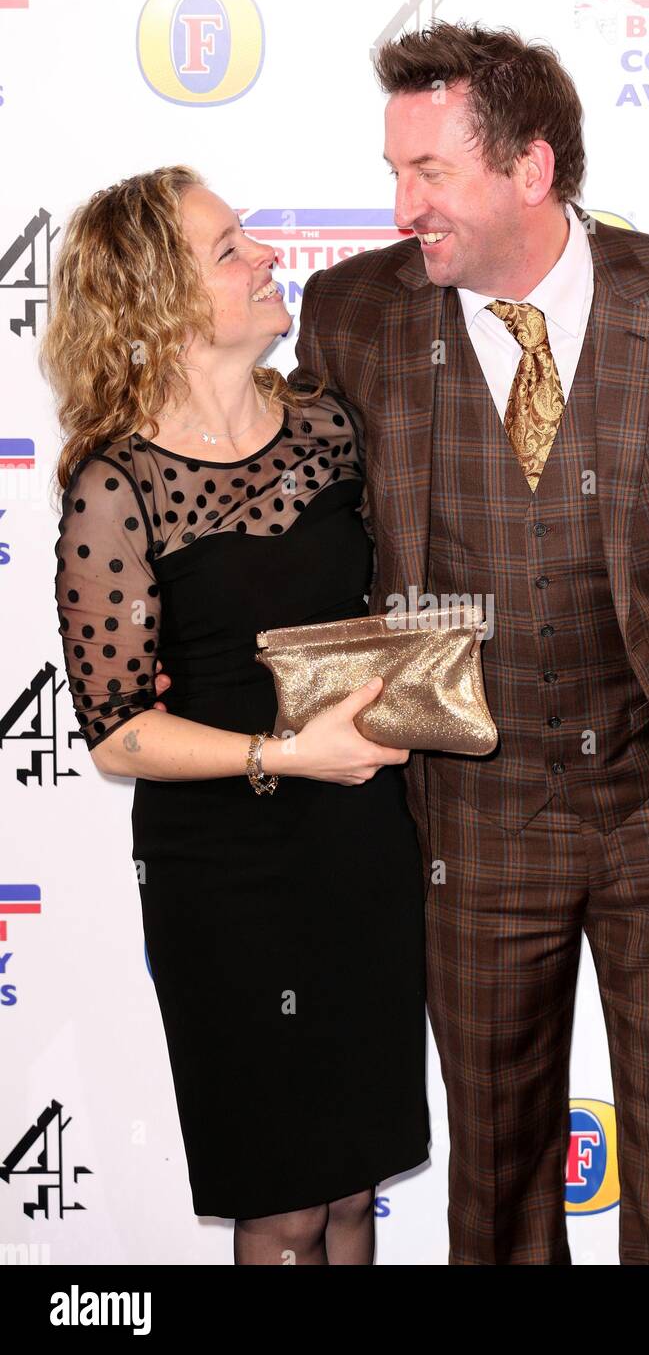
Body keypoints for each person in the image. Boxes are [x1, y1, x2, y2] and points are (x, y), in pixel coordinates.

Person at [156, 22, 649, 1266]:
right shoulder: (355, 313)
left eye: (429, 173)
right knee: (498, 1176)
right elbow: (274, 476)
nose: (401, 206)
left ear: (530, 168)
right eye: (393, 171)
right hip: (466, 814)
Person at [45, 166, 429, 1265]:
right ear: (155, 298)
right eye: (228, 248)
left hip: (361, 844)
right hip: (226, 871)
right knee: (282, 1208)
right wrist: (283, 752)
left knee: (353, 1192)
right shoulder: (113, 486)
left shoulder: (331, 432)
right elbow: (118, 726)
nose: (266, 257)